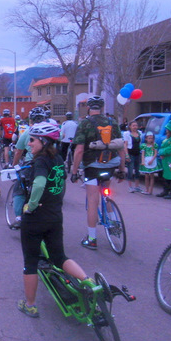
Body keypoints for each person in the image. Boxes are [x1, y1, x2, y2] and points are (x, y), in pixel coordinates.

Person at [17, 122, 89, 318]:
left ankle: (30, 304)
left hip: (36, 218)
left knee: (30, 262)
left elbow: (39, 184)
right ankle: (88, 282)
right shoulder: (57, 159)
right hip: (55, 216)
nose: (29, 144)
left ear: (43, 141)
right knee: (59, 257)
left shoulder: (40, 161)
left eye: (32, 140)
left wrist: (30, 206)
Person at [71, 95, 126, 250]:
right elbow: (121, 147)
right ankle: (113, 222)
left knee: (93, 201)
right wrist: (122, 169)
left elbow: (79, 150)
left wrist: (74, 172)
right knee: (105, 193)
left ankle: (92, 239)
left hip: (93, 166)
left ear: (89, 107)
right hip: (111, 164)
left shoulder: (85, 123)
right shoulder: (112, 122)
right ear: (102, 108)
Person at [11, 107, 46, 227]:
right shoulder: (51, 131)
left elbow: (18, 151)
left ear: (31, 120)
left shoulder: (27, 132)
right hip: (50, 164)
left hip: (31, 164)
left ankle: (19, 217)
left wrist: (14, 165)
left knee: (19, 189)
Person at [156, 120, 171, 199]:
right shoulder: (168, 136)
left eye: (167, 129)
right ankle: (165, 191)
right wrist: (161, 152)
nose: (166, 130)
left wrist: (161, 152)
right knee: (165, 175)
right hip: (166, 160)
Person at [123, 120, 142, 192]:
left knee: (137, 170)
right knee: (130, 170)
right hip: (130, 153)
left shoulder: (140, 133)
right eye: (133, 125)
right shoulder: (127, 134)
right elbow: (125, 144)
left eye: (136, 125)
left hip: (138, 153)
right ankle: (130, 186)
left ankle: (137, 186)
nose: (135, 127)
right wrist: (126, 155)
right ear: (130, 126)